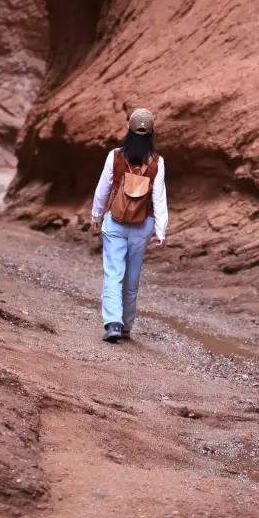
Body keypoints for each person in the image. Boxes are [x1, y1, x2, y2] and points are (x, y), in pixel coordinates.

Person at [91, 107, 168, 343]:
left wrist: (95, 216)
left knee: (113, 273)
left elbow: (103, 189)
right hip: (143, 225)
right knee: (132, 277)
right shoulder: (157, 161)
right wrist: (161, 231)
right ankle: (126, 327)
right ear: (152, 132)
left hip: (115, 221)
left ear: (128, 130)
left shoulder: (115, 155)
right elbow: (159, 197)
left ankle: (113, 323)